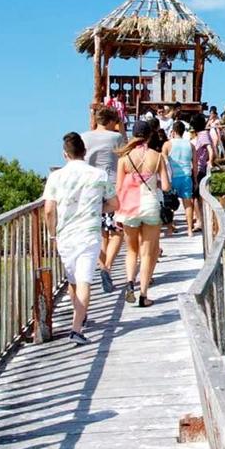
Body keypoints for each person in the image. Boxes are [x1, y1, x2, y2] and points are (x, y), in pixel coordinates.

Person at [43, 132, 116, 347]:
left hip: (65, 235)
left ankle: (79, 319)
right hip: (89, 233)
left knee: (73, 280)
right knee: (84, 280)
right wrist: (96, 208)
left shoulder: (56, 177)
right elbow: (114, 204)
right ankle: (76, 328)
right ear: (84, 152)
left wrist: (52, 234)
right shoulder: (99, 175)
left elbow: (48, 210)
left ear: (65, 154)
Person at [115, 120, 170, 307]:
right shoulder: (158, 156)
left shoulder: (124, 159)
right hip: (150, 206)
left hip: (129, 207)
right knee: (147, 254)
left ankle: (130, 282)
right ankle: (143, 295)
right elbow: (166, 186)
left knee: (131, 251)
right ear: (149, 135)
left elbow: (119, 188)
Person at [81, 105, 124, 293]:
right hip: (112, 186)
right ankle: (107, 266)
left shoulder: (84, 137)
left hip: (90, 189)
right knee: (117, 231)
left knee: (96, 233)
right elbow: (124, 155)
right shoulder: (116, 137)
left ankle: (101, 265)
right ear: (111, 121)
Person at [163, 120, 195, 236]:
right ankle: (190, 230)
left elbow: (164, 163)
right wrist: (195, 179)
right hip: (186, 176)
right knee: (188, 204)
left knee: (170, 204)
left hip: (173, 177)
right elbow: (194, 165)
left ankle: (170, 228)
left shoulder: (167, 144)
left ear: (173, 131)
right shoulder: (190, 145)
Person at [190, 112, 215, 226]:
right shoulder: (203, 133)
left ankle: (200, 221)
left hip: (200, 168)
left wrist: (210, 160)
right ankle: (202, 219)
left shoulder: (203, 134)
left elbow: (210, 149)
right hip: (199, 167)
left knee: (196, 196)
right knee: (197, 196)